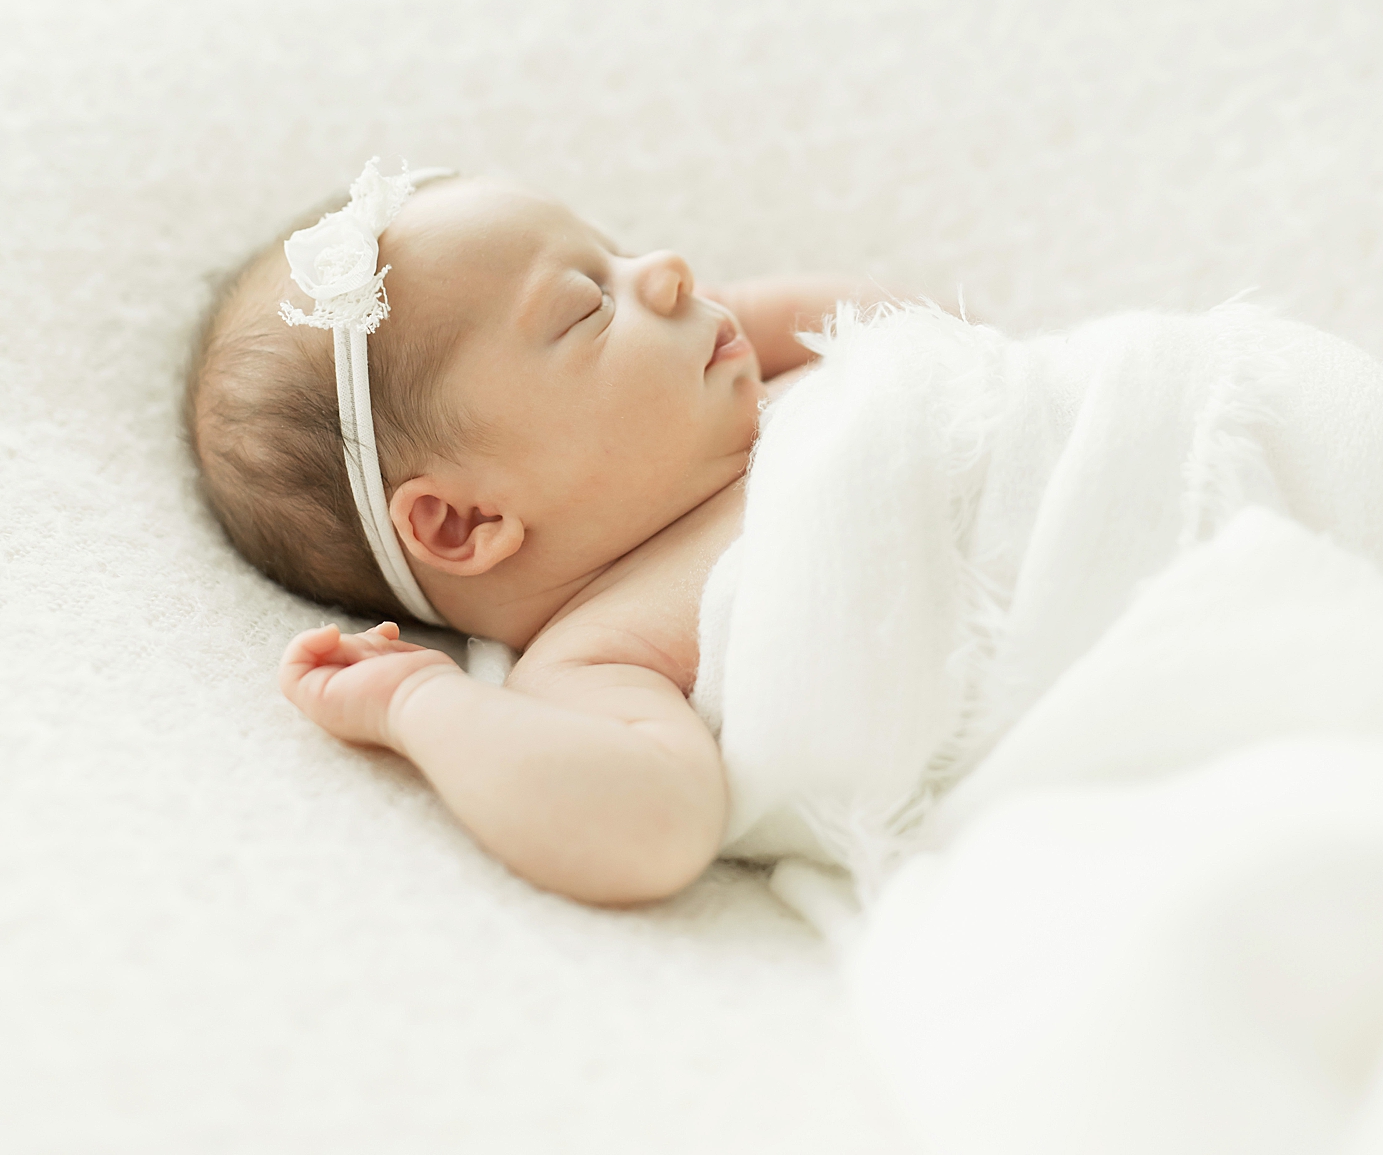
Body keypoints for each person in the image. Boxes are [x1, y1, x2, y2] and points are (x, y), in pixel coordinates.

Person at [186, 161, 893, 906]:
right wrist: (417, 704)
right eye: (590, 305)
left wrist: (721, 312)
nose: (669, 271)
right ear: (467, 523)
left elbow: (925, 331)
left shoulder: (792, 385)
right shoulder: (599, 654)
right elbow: (651, 831)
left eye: (619, 251)